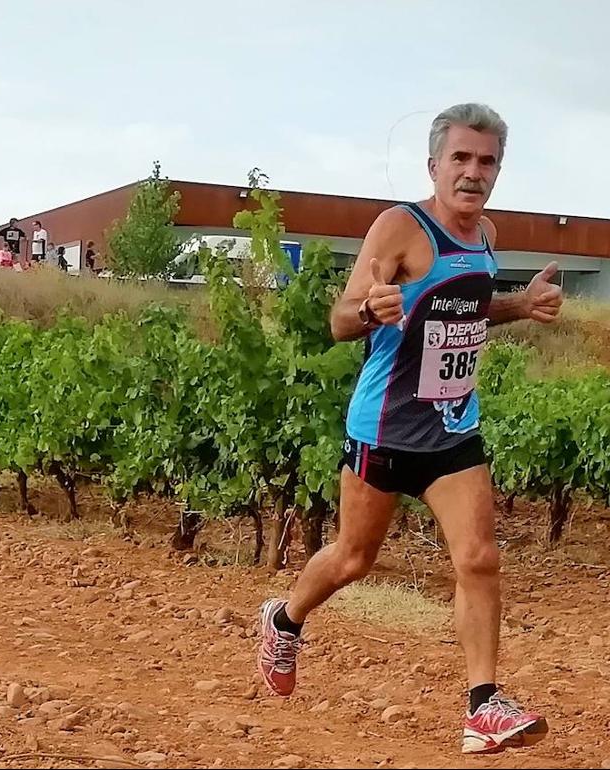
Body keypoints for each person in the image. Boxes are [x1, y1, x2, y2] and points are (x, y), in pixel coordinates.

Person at [256, 103, 564, 755]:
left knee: (479, 559)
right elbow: (341, 321)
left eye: (486, 161)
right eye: (461, 158)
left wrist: (518, 305)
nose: (473, 172)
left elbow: (463, 313)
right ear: (435, 165)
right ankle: (284, 619)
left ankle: (483, 706)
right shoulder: (400, 226)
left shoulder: (485, 235)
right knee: (353, 558)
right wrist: (369, 307)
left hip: (453, 427)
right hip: (385, 428)